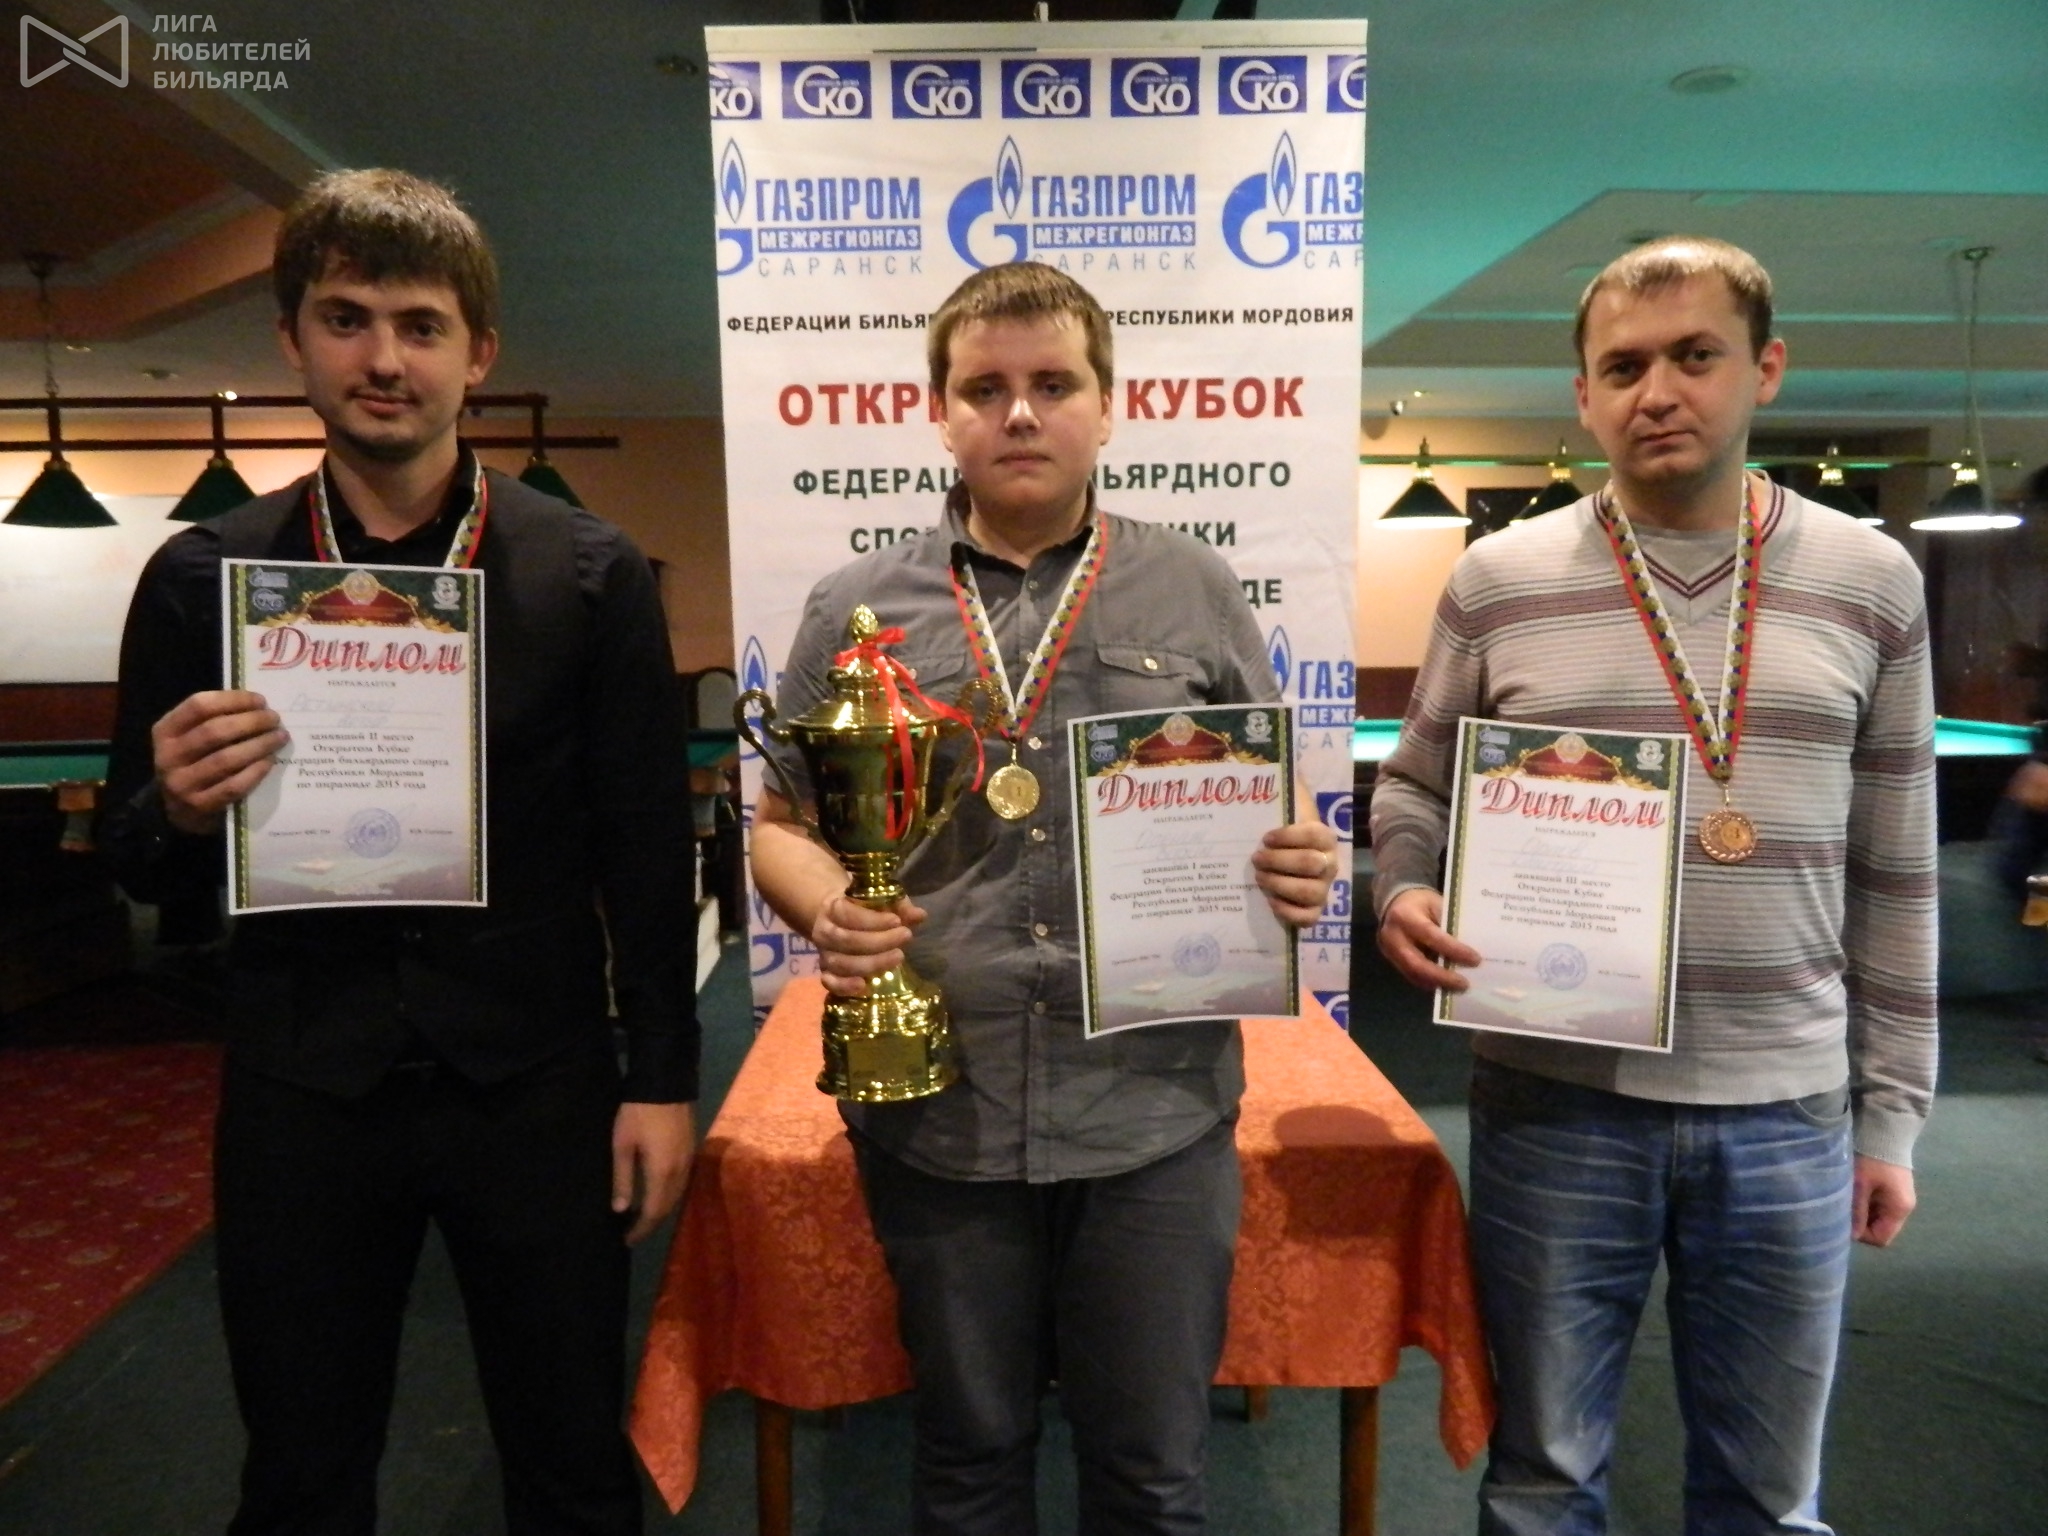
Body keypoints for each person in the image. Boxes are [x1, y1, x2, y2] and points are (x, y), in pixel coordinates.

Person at [99, 169, 697, 1536]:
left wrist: (662, 1079)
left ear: (477, 352)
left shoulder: (587, 573)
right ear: (292, 340)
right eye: (348, 319)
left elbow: (645, 848)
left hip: (537, 1085)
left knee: (572, 1465)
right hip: (302, 1088)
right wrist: (175, 812)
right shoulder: (204, 578)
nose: (384, 358)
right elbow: (135, 862)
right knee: (301, 1474)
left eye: (421, 325)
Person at [748, 262, 1339, 1535]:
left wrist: (1297, 857)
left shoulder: (1194, 587)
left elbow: (1268, 792)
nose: (1019, 412)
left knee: (1151, 1473)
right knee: (967, 1461)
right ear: (938, 412)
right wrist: (829, 907)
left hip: (1152, 1108)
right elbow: (783, 828)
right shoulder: (854, 605)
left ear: (1107, 406)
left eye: (1053, 384)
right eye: (984, 388)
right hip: (940, 1110)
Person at [1370, 236, 1936, 1535]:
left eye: (1695, 356)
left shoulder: (1871, 580)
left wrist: (1892, 1116)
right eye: (1623, 368)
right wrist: (1403, 889)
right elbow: (1409, 792)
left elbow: (1898, 868)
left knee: (1767, 1496)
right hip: (1554, 1102)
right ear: (1583, 396)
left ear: (1765, 370)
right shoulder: (1498, 582)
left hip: (1785, 1109)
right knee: (1542, 1483)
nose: (1658, 392)